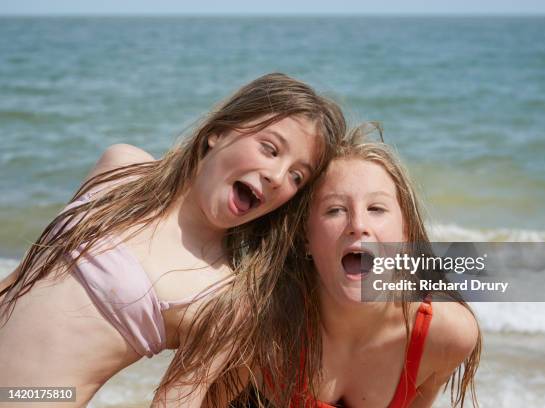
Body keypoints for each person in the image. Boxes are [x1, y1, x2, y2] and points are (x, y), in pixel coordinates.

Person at [0, 73, 347, 407]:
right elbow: (26, 276)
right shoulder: (121, 169)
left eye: (296, 176)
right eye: (270, 149)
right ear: (219, 132)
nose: (276, 176)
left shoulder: (222, 295)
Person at [252, 125, 482, 408]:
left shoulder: (444, 334)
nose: (358, 225)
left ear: (405, 233)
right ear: (304, 238)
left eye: (376, 209)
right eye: (335, 209)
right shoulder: (260, 328)